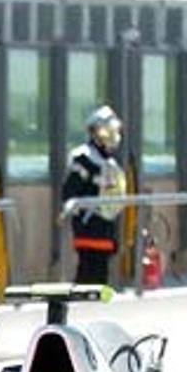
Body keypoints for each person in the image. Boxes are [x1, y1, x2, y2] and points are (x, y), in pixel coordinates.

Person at [62, 105, 130, 286]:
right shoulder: (83, 158)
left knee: (101, 276)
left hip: (107, 225)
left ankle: (97, 310)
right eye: (106, 131)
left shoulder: (110, 162)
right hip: (89, 225)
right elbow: (70, 192)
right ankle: (81, 310)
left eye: (113, 131)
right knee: (87, 274)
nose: (111, 136)